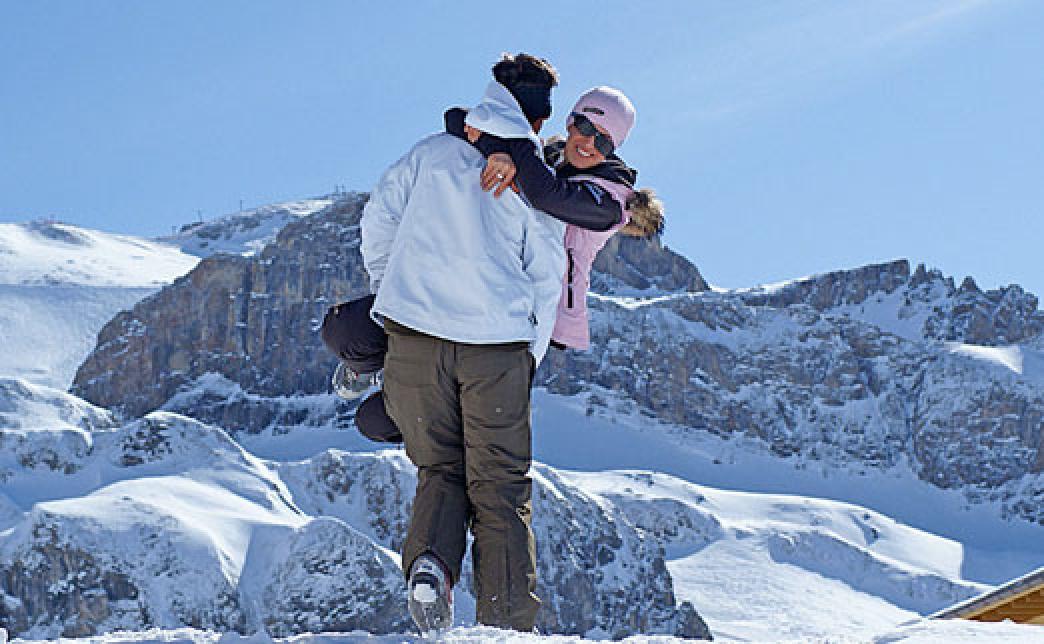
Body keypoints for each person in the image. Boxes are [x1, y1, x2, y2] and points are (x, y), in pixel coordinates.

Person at [358, 53, 563, 634]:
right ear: (539, 117)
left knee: (440, 469)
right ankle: (505, 628)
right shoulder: (529, 179)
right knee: (499, 489)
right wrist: (528, 357)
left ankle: (431, 566)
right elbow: (547, 275)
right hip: (495, 348)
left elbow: (377, 223)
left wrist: (394, 294)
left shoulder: (429, 155)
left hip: (414, 340)